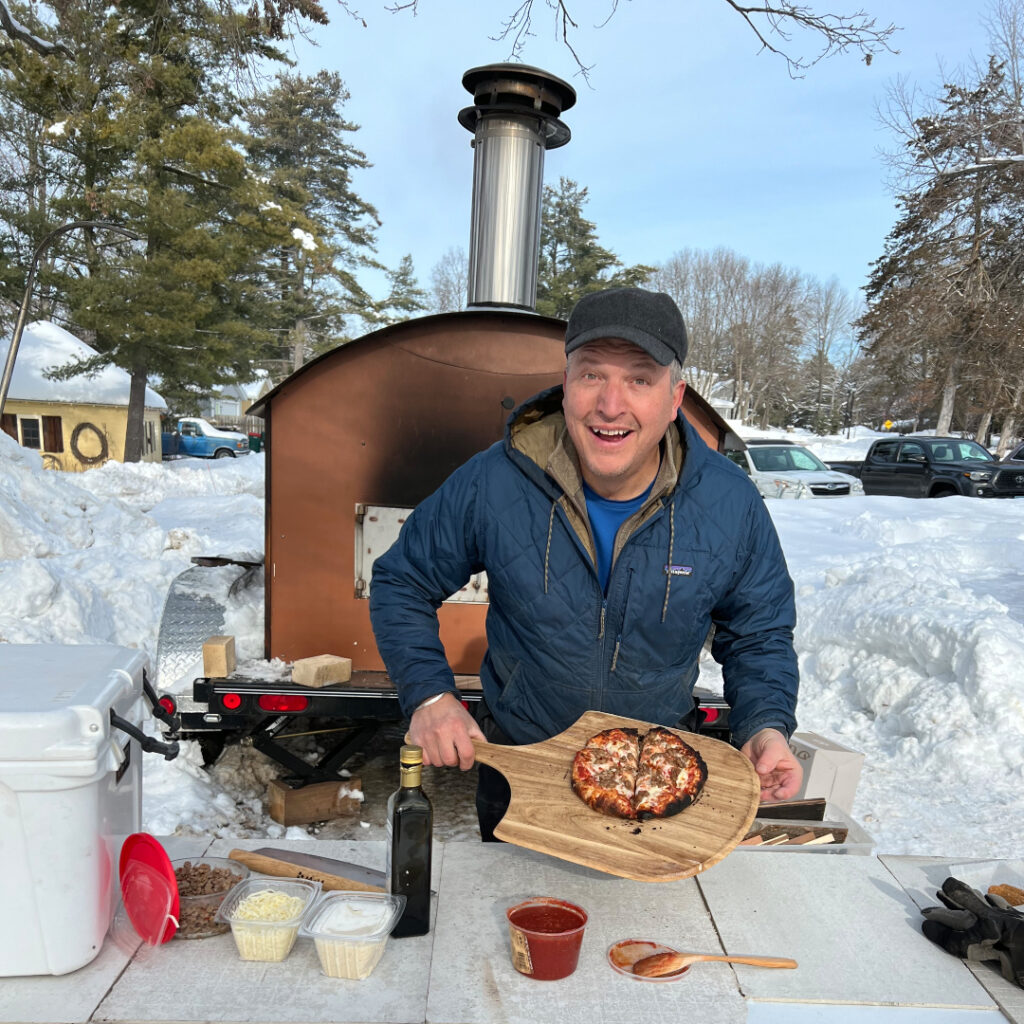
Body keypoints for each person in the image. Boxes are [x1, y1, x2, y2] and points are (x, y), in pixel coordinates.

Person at [370, 286, 801, 840]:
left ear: (675, 398)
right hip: (521, 775)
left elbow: (759, 632)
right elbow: (401, 581)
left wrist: (765, 724)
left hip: (654, 787)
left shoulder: (730, 502)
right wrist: (430, 694)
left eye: (640, 379)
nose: (611, 404)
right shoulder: (495, 480)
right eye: (592, 374)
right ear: (566, 382)